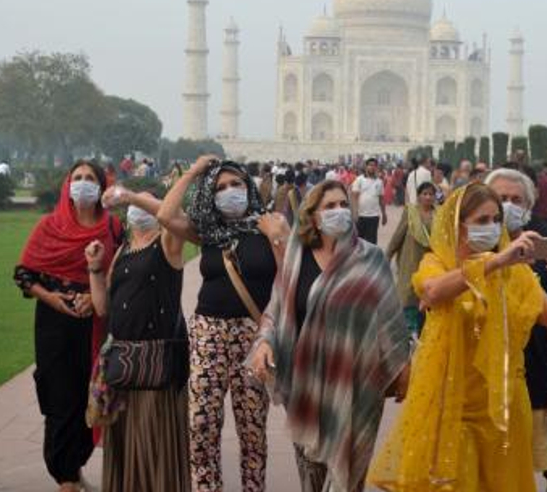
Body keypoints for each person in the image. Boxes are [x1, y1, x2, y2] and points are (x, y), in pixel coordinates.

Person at [369, 183, 547, 492]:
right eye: (481, 221)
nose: (491, 228)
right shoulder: (438, 263)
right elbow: (434, 291)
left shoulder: (515, 272)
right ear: (459, 225)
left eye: (496, 220)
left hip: (504, 408)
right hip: (453, 407)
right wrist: (495, 262)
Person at [249, 180, 411, 492]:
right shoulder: (297, 259)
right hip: (305, 385)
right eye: (329, 207)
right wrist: (265, 343)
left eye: (342, 205)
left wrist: (402, 366)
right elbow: (275, 310)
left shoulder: (370, 259)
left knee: (347, 478)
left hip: (356, 385)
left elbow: (391, 320)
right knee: (311, 478)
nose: (339, 212)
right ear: (313, 216)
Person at [158, 156, 289, 492]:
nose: (230, 191)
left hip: (253, 338)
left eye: (236, 184)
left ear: (249, 187)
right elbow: (165, 215)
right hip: (209, 335)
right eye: (220, 187)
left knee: (252, 432)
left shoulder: (269, 225)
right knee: (201, 428)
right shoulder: (209, 231)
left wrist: (277, 237)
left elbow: (288, 284)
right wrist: (194, 171)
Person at [14, 160, 123, 492]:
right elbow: (24, 275)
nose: (83, 183)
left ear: (102, 187)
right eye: (77, 178)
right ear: (67, 184)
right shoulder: (50, 226)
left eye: (90, 178)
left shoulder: (113, 228)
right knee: (60, 400)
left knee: (88, 399)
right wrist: (53, 299)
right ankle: (65, 478)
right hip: (55, 326)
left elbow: (123, 273)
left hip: (95, 326)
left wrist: (94, 295)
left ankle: (73, 469)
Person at [85, 186, 190, 492]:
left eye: (146, 203)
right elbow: (103, 307)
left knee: (155, 443)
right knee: (125, 444)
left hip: (156, 366)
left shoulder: (167, 244)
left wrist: (132, 196)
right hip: (122, 365)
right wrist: (94, 268)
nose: (137, 210)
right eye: (133, 205)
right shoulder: (123, 250)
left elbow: (175, 215)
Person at [486, 168, 547, 491]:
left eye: (515, 199)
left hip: (532, 376)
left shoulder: (542, 250)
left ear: (529, 205)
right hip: (481, 383)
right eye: (500, 199)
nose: (508, 205)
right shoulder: (471, 251)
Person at [385, 181, 436, 336]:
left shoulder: (440, 213)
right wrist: (388, 254)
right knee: (409, 294)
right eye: (424, 194)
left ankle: (425, 330)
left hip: (432, 261)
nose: (428, 197)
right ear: (419, 196)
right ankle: (408, 333)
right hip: (411, 258)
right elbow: (399, 233)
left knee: (430, 294)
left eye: (431, 194)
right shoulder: (411, 212)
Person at [351, 158, 387, 245]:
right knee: (359, 241)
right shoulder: (359, 180)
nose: (372, 167)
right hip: (360, 216)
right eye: (370, 165)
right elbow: (354, 197)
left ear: (377, 168)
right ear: (366, 167)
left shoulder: (379, 182)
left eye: (374, 165)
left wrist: (384, 214)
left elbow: (381, 199)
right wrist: (355, 212)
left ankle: (371, 258)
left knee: (372, 241)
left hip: (374, 216)